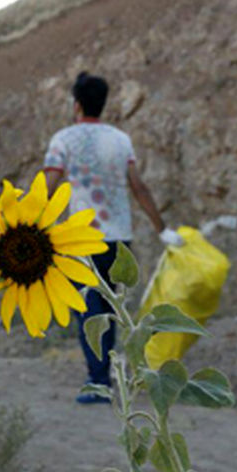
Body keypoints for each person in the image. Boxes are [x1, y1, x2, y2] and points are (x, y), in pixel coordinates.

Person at [42, 71, 183, 404]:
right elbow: (139, 187)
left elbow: (48, 186)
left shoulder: (62, 140)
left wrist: (31, 224)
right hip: (120, 238)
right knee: (111, 306)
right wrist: (162, 228)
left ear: (76, 104)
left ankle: (98, 379)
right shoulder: (121, 140)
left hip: (81, 239)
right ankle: (107, 373)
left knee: (88, 310)